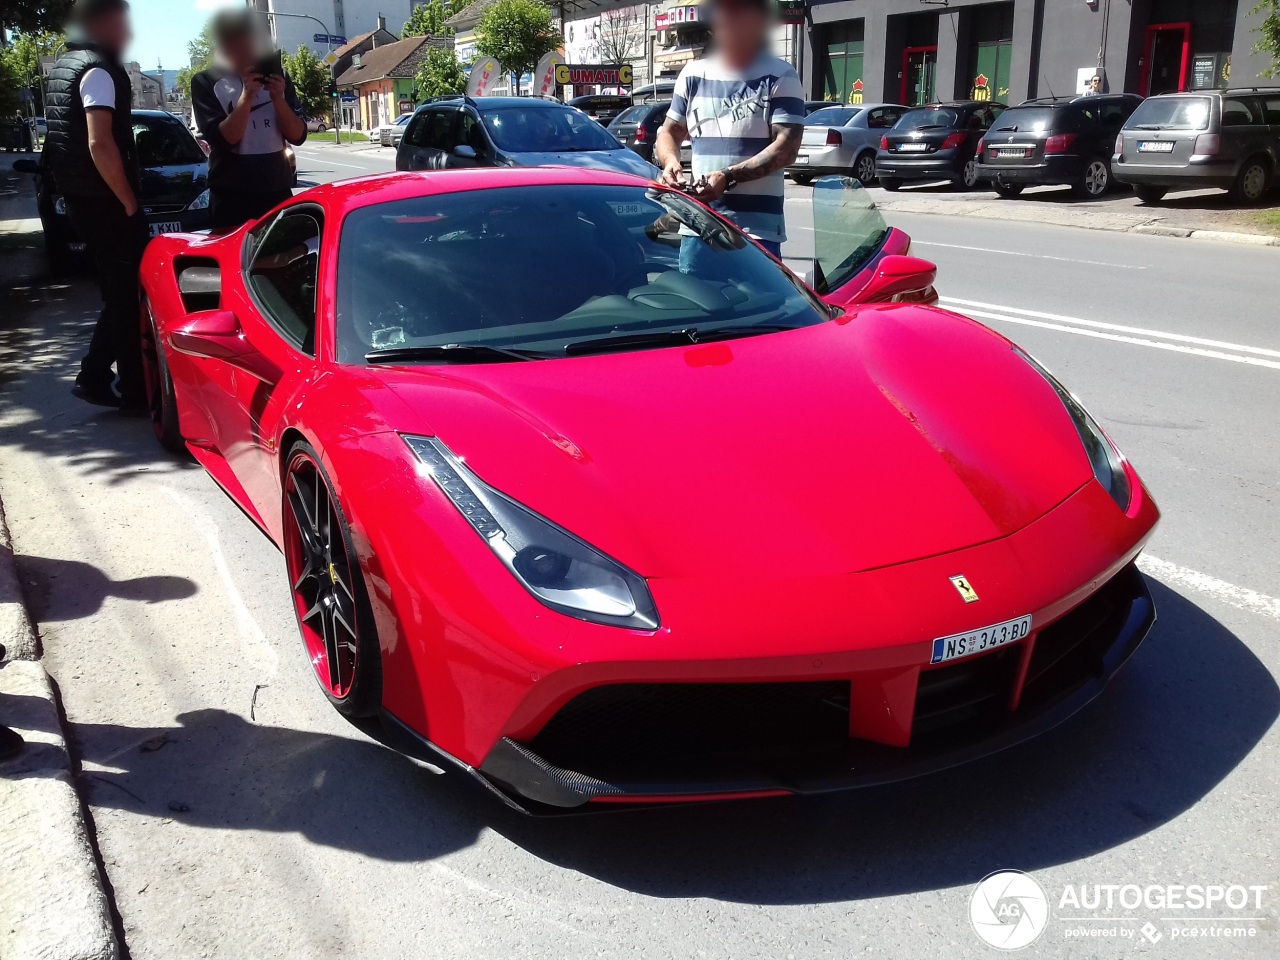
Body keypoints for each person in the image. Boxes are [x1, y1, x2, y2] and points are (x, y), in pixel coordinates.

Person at [43, 0, 148, 411]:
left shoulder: (66, 65)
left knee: (118, 294)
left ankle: (99, 376)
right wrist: (129, 203)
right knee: (125, 296)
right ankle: (125, 386)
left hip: (82, 199)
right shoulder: (97, 70)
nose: (127, 33)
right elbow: (99, 143)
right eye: (123, 23)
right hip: (104, 202)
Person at [655, 0, 804, 265]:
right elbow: (669, 132)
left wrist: (728, 177)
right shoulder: (692, 74)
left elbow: (787, 148)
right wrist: (670, 162)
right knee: (696, 303)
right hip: (698, 226)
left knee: (761, 306)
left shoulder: (780, 76)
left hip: (756, 234)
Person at [190, 9, 306, 229]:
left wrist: (278, 99)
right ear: (226, 47)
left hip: (277, 192)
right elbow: (225, 140)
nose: (250, 53)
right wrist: (247, 96)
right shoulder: (205, 82)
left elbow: (298, 135)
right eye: (242, 47)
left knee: (282, 260)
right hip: (231, 198)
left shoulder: (279, 77)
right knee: (234, 261)